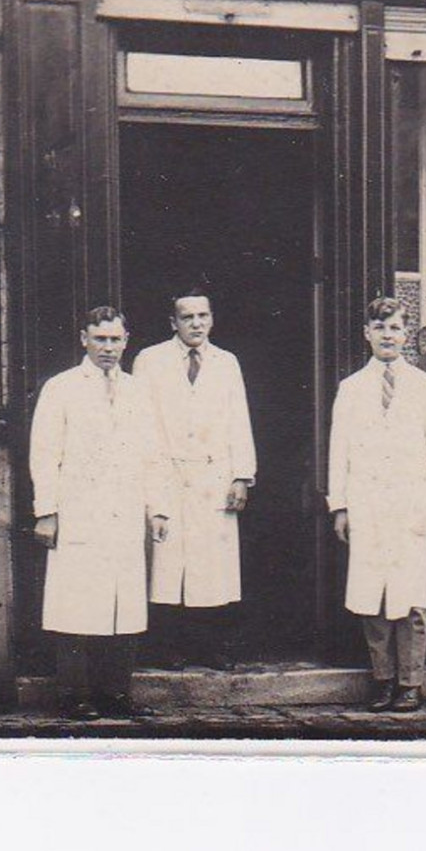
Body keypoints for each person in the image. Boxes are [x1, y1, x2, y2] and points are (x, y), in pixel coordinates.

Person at [29, 306, 172, 721]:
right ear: (84, 339)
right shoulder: (61, 388)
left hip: (125, 512)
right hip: (79, 512)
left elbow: (153, 453)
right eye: (100, 339)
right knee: (77, 603)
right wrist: (47, 512)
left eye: (116, 340)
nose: (108, 348)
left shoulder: (138, 391)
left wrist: (158, 508)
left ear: (127, 342)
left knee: (122, 603)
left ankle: (116, 692)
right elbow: (45, 454)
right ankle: (74, 693)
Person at [328, 296, 426, 713]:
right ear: (367, 333)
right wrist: (340, 506)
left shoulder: (424, 387)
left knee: (412, 598)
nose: (388, 336)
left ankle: (410, 683)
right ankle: (382, 680)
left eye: (395, 328)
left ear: (406, 334)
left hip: (410, 506)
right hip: (367, 506)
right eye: (380, 328)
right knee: (372, 597)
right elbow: (339, 450)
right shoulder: (351, 388)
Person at [134, 285, 257, 671]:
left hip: (212, 476)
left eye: (203, 315)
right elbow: (140, 423)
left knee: (212, 566)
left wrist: (241, 476)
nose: (196, 323)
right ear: (173, 322)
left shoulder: (226, 362)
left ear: (212, 319)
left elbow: (239, 420)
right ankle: (169, 648)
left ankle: (212, 647)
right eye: (187, 317)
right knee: (167, 566)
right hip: (166, 472)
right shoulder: (150, 360)